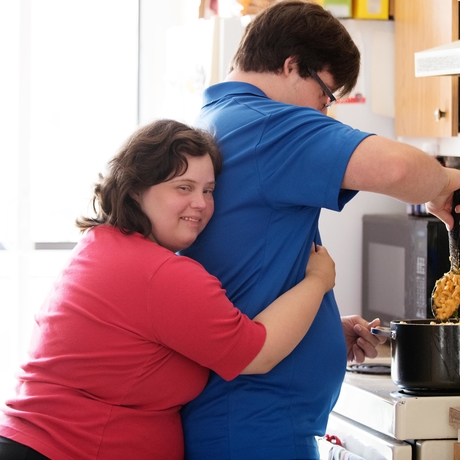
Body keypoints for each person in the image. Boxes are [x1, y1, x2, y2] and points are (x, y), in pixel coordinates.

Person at [179, 1, 460, 459]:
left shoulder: (218, 119)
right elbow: (393, 167)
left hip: (240, 420)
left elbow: (250, 272)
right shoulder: (268, 124)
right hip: (253, 427)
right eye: (327, 95)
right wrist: (447, 183)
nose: (324, 114)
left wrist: (324, 327)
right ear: (292, 66)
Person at [0, 119, 337, 460]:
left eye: (208, 190)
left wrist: (329, 330)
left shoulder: (103, 244)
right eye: (183, 188)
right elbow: (257, 353)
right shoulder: (159, 274)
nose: (201, 204)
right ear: (136, 189)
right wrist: (318, 280)